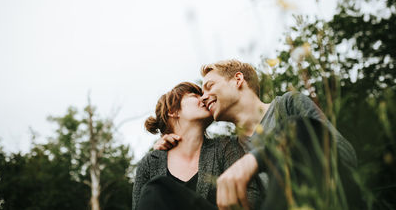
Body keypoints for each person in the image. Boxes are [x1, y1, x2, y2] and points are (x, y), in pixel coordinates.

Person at [155, 59, 357, 210]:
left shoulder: (288, 105)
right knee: (158, 188)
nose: (204, 96)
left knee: (297, 127)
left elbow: (345, 156)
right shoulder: (229, 148)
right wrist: (174, 146)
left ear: (238, 79)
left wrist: (258, 159)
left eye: (209, 86)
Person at [132, 82, 262, 210]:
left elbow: (251, 197)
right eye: (194, 96)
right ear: (173, 111)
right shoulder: (150, 163)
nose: (204, 99)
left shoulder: (225, 147)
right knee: (157, 187)